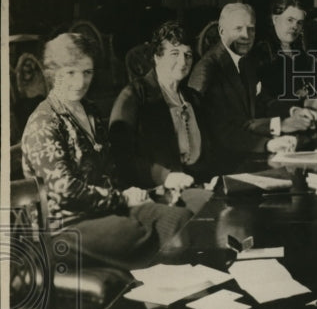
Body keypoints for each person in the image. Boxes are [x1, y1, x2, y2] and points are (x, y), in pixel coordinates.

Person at [21, 33, 193, 264]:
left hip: (105, 212)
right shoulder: (45, 121)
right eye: (70, 72)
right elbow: (65, 191)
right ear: (53, 73)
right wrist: (122, 199)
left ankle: (169, 289)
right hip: (66, 228)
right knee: (150, 229)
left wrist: (145, 192)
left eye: (87, 72)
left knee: (181, 218)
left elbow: (111, 169)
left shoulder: (89, 110)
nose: (80, 82)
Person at [188, 3, 317, 167]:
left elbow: (264, 100)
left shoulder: (245, 61)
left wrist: (294, 111)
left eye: (251, 29)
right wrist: (271, 139)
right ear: (222, 32)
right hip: (223, 162)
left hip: (245, 151)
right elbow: (219, 131)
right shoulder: (207, 70)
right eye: (238, 29)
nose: (246, 36)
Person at [109, 21, 210, 189]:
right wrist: (165, 177)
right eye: (174, 53)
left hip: (198, 184)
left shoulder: (193, 98)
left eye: (188, 54)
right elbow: (121, 155)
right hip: (157, 189)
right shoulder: (134, 96)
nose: (183, 61)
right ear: (157, 57)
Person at [253, 0, 312, 101]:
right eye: (290, 20)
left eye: (299, 23)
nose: (295, 27)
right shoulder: (261, 52)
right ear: (275, 19)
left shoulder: (300, 52)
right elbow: (264, 99)